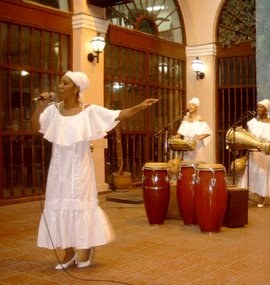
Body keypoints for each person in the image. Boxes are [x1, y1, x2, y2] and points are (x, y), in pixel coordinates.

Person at [33, 71, 158, 269]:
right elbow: (36, 127)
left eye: (65, 84)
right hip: (58, 170)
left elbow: (117, 115)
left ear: (76, 88)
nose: (60, 87)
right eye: (60, 83)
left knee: (80, 207)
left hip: (80, 170)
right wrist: (40, 107)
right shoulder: (53, 111)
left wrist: (140, 107)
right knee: (60, 207)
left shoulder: (88, 111)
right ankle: (68, 253)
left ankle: (87, 248)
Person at [238, 99, 270, 207]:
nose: (258, 109)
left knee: (262, 173)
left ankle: (261, 197)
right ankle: (248, 194)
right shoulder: (253, 122)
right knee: (251, 171)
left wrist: (268, 145)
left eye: (261, 107)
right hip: (253, 151)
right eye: (258, 107)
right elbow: (249, 136)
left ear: (266, 109)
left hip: (264, 152)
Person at [174, 97, 212, 162]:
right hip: (187, 147)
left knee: (197, 166)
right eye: (189, 105)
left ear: (196, 108)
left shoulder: (200, 118)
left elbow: (208, 132)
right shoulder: (185, 119)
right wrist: (174, 138)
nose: (190, 106)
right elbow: (180, 134)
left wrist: (197, 138)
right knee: (187, 167)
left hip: (197, 147)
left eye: (193, 105)